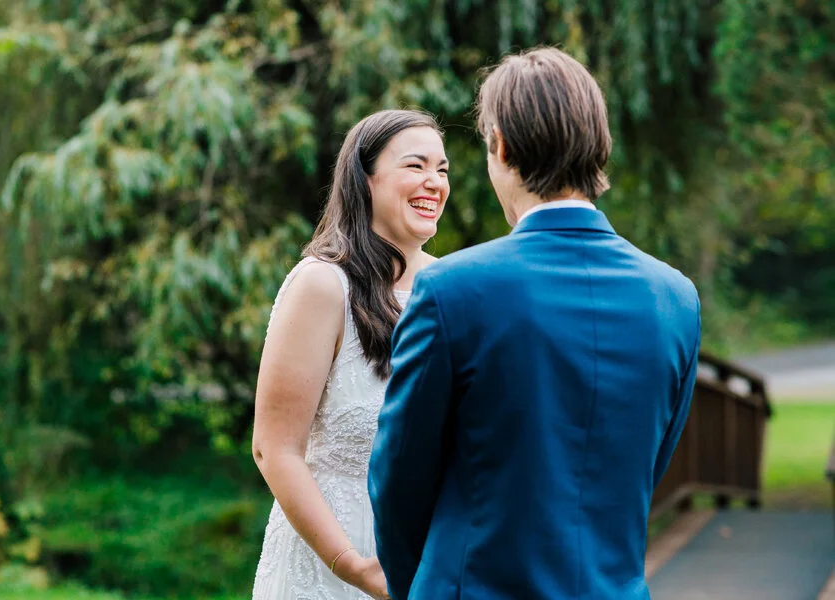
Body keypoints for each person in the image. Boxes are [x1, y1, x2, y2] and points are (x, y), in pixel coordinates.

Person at [368, 47, 702, 599]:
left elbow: (399, 477)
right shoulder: (675, 298)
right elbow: (647, 465)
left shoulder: (452, 289)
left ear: (499, 145)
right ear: (599, 144)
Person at [251, 109, 450, 600]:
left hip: (428, 566)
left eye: (442, 170)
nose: (434, 183)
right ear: (365, 180)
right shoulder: (322, 285)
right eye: (415, 166)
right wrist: (353, 567)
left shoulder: (451, 287)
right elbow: (274, 448)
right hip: (328, 567)